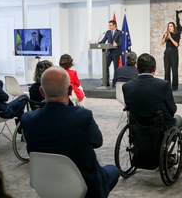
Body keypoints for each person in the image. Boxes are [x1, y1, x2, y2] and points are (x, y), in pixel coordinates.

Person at [21, 66, 120, 198]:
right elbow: (98, 141)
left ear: (42, 92)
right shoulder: (82, 117)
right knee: (113, 170)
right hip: (86, 185)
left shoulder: (28, 120)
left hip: (45, 182)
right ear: (70, 90)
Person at [123, 53, 182, 131]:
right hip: (159, 126)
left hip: (137, 124)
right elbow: (172, 109)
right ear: (155, 68)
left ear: (137, 69)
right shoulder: (163, 85)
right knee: (179, 119)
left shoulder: (126, 86)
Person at [99, 20, 123, 87]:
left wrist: (116, 44)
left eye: (110, 25)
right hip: (108, 53)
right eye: (109, 25)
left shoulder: (119, 32)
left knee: (116, 68)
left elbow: (121, 42)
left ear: (115, 25)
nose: (109, 26)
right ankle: (106, 82)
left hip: (116, 53)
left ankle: (114, 82)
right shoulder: (108, 32)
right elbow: (103, 41)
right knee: (106, 67)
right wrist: (98, 43)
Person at [161, 22, 180, 91]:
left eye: (171, 26)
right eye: (169, 26)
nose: (169, 27)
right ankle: (167, 85)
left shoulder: (177, 34)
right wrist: (165, 36)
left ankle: (174, 86)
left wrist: (170, 37)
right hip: (167, 52)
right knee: (167, 69)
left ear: (174, 27)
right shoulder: (166, 34)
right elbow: (162, 43)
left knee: (174, 70)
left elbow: (176, 45)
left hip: (174, 52)